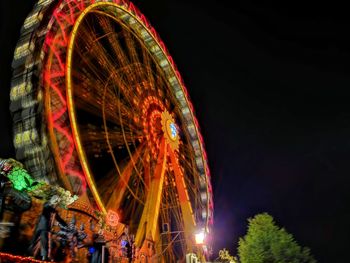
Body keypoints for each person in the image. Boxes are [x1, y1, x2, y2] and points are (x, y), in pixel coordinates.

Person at [29, 195, 67, 261]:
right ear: (54, 200)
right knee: (34, 240)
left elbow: (59, 219)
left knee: (44, 241)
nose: (57, 204)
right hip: (40, 225)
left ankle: (44, 256)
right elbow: (46, 207)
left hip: (45, 228)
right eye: (57, 202)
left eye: (58, 202)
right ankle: (30, 253)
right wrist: (53, 205)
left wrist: (65, 224)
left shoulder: (54, 211)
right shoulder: (47, 204)